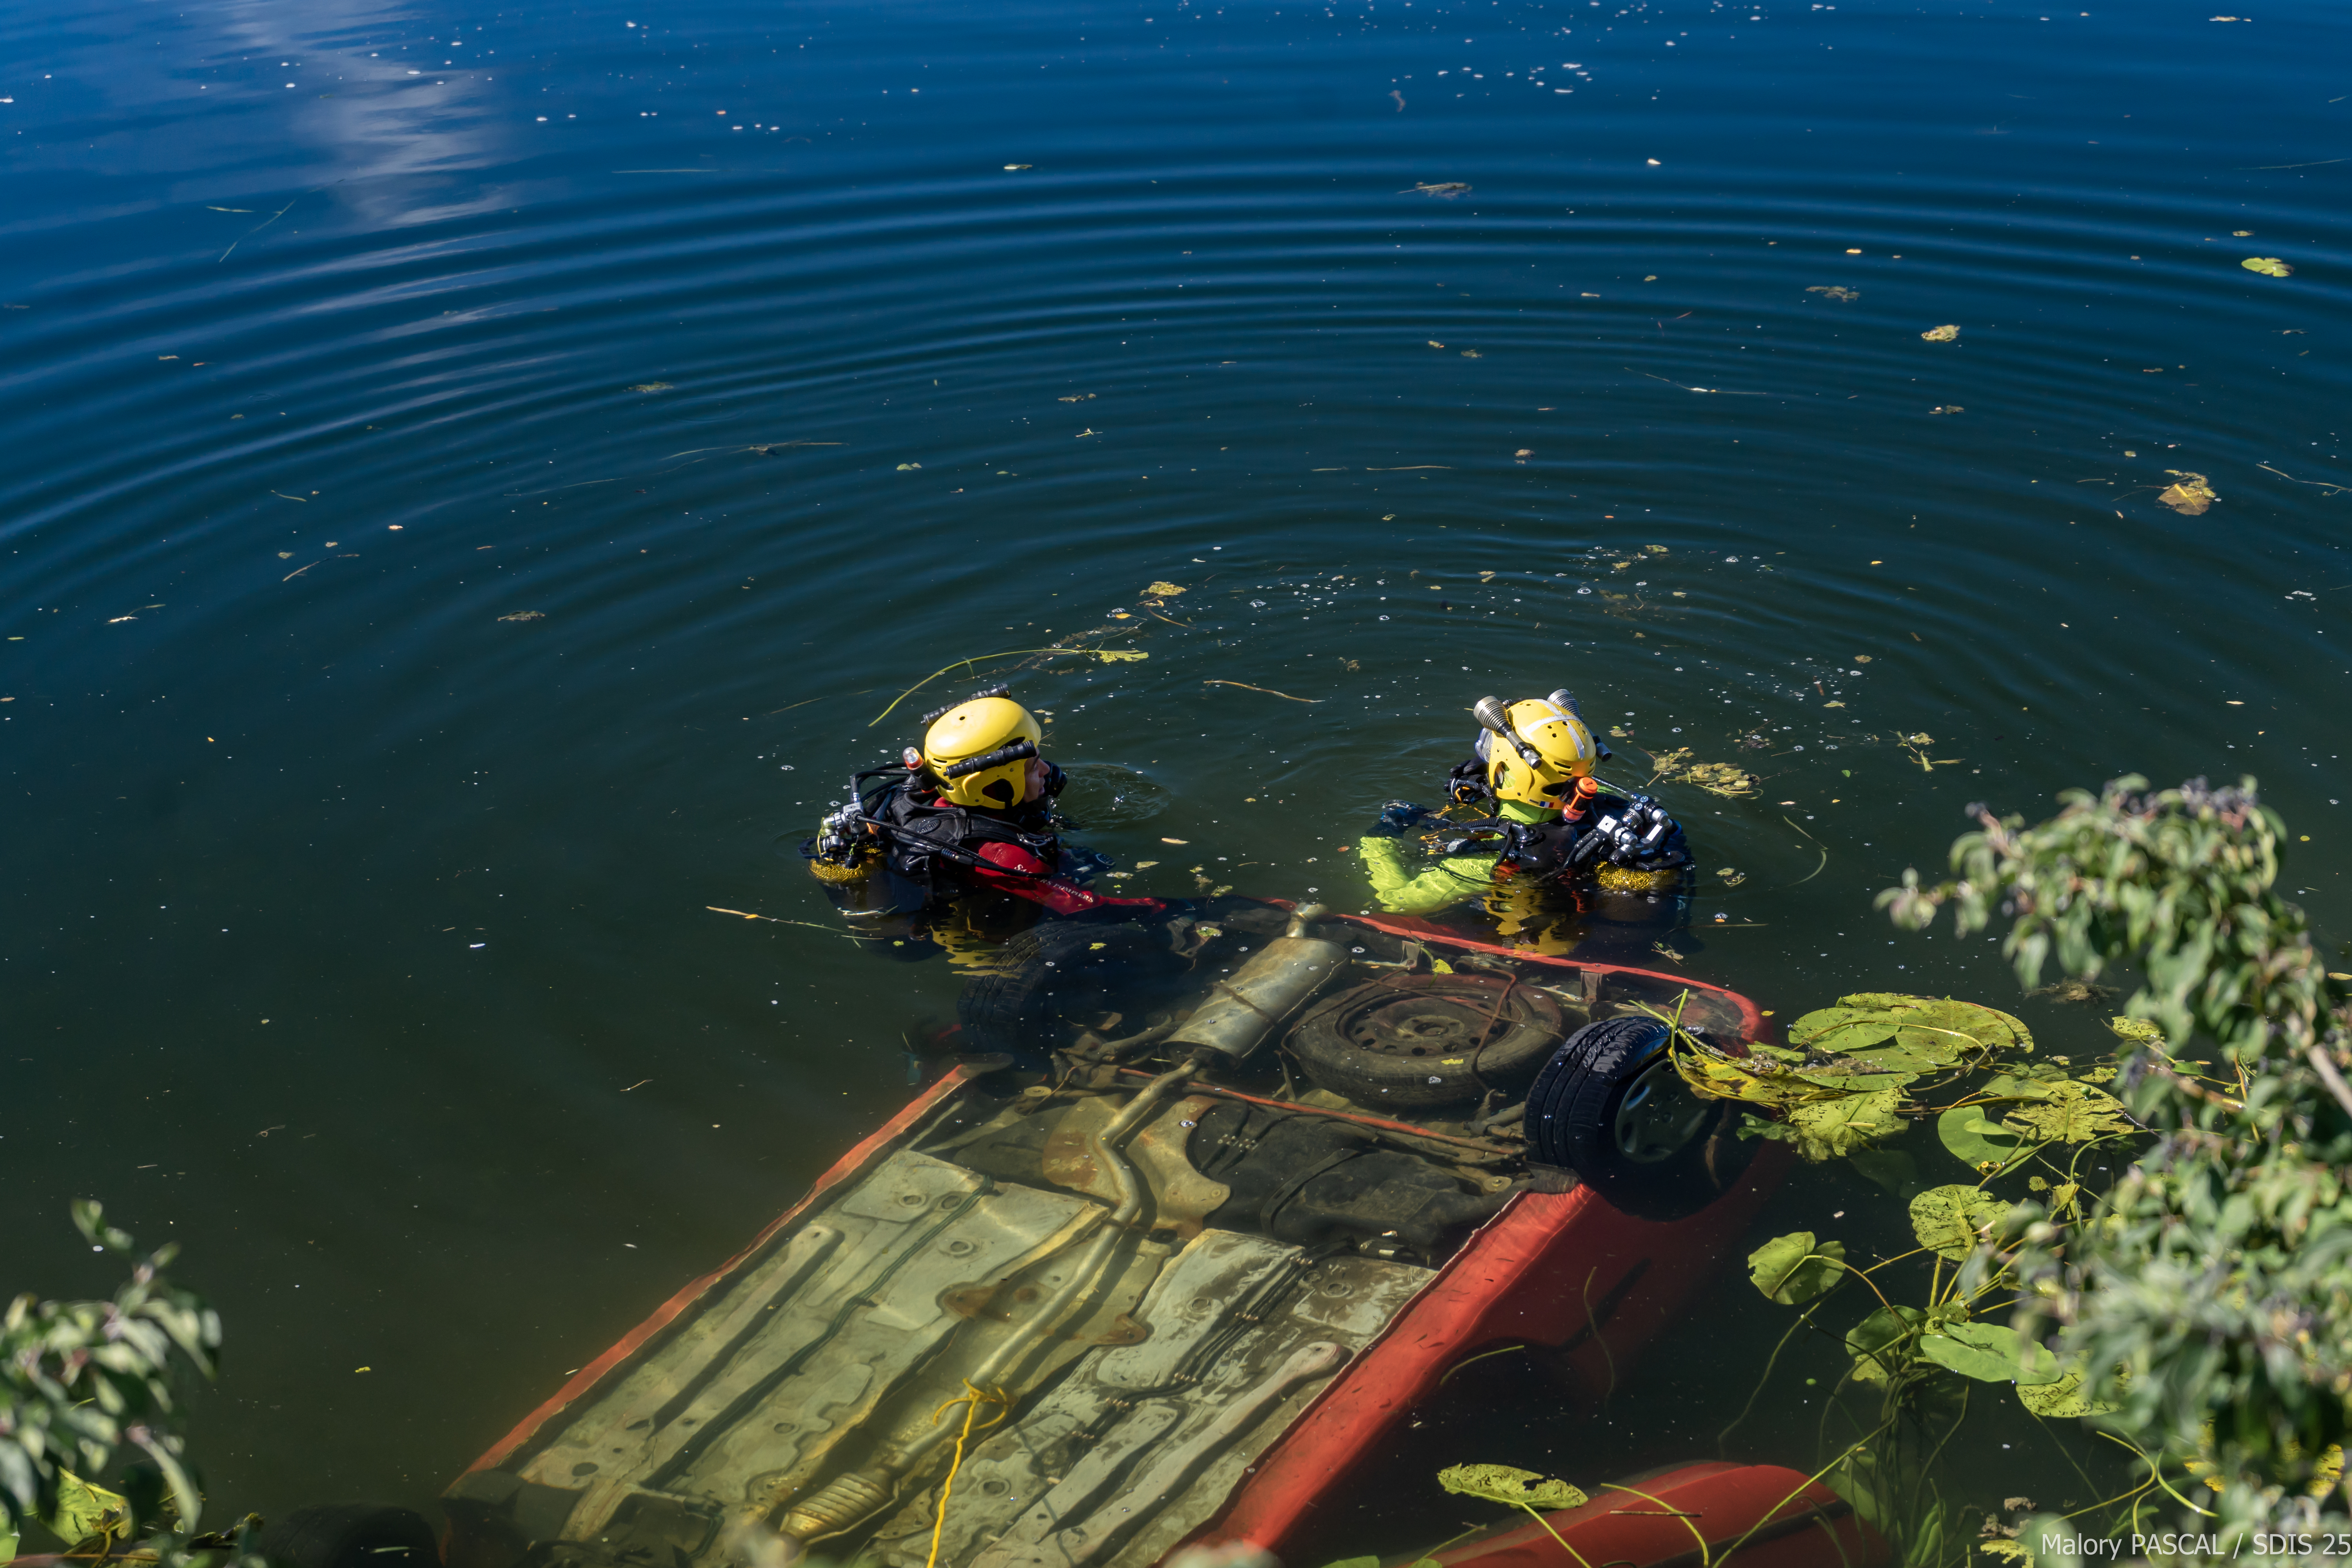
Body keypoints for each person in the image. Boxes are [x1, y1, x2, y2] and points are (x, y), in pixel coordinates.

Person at [802, 687, 1163, 955]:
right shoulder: (1002, 857)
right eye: (1032, 767)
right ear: (991, 786)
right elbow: (1091, 911)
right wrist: (1186, 907)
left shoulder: (923, 794)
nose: (1047, 771)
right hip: (968, 940)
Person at [1356, 691, 1693, 951]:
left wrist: (1386, 831)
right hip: (1585, 914)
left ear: (1506, 773)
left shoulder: (1500, 858)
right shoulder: (1604, 806)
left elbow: (1396, 901)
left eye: (1490, 752)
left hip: (1531, 941)